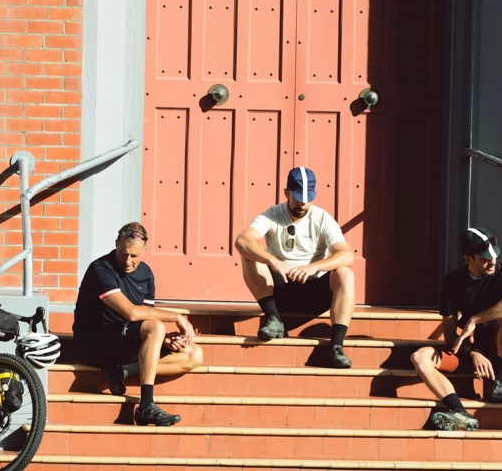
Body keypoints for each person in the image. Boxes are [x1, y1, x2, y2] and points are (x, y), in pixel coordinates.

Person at [73, 222, 203, 426]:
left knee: (194, 354)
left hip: (125, 342)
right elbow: (132, 313)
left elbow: (146, 319)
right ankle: (146, 405)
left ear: (144, 251)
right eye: (123, 253)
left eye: (134, 256)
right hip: (95, 342)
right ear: (116, 244)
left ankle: (121, 372)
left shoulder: (146, 274)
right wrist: (177, 317)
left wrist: (163, 339)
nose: (127, 261)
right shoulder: (101, 269)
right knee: (156, 326)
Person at [234, 166, 356, 369]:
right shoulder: (272, 215)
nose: (302, 203)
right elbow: (242, 240)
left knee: (346, 273)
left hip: (314, 291)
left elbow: (346, 254)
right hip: (280, 290)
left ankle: (336, 347)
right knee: (249, 255)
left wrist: (314, 267)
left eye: (308, 198)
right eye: (297, 197)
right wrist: (273, 261)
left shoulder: (322, 218)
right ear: (286, 193)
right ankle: (273, 319)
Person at [410, 227, 502, 431]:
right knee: (419, 357)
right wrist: (473, 354)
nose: (492, 262)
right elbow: (448, 336)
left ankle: (497, 382)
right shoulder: (453, 282)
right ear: (468, 258)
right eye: (484, 258)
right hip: (470, 349)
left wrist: (474, 319)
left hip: (501, 347)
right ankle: (460, 412)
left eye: (494, 255)